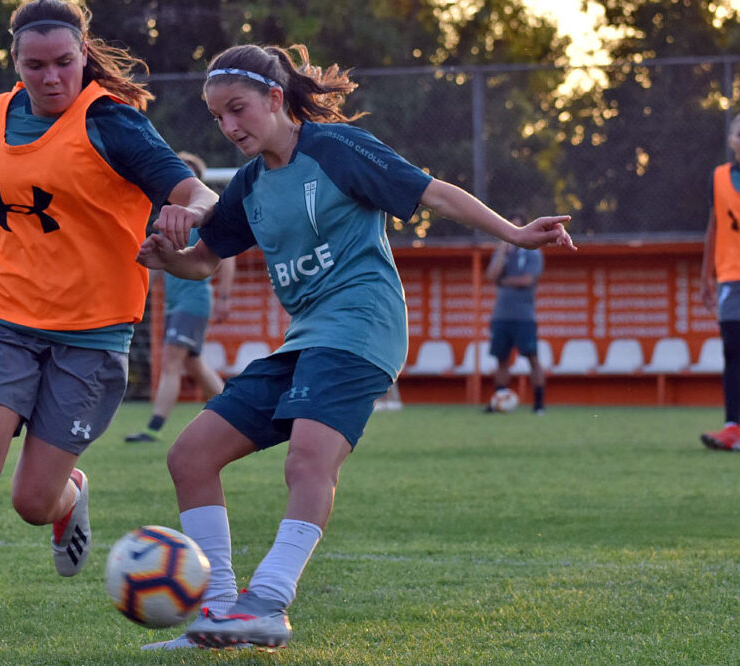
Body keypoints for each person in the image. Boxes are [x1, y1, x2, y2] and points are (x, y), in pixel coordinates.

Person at [136, 43, 575, 650]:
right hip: (305, 338)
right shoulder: (249, 185)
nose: (230, 126)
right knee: (189, 456)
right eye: (218, 117)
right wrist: (167, 262)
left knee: (309, 460)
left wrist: (514, 233)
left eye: (238, 109)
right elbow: (205, 262)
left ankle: (265, 602)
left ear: (274, 97)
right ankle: (219, 613)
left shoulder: (335, 151)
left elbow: (433, 193)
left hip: (362, 323)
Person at [0, 0, 218, 648]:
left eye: (63, 63)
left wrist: (185, 213)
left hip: (93, 333)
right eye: (35, 65)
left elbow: (194, 191)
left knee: (31, 502)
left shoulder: (114, 124)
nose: (50, 78)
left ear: (84, 56)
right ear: (15, 63)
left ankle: (67, 495)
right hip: (1, 310)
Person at [125, 152, 237, 444]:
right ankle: (235, 417)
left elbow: (226, 257)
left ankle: (153, 428)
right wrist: (133, 297)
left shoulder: (204, 217)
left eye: (184, 174)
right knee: (193, 365)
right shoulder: (170, 219)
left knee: (172, 363)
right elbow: (159, 268)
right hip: (178, 305)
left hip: (193, 302)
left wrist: (224, 296)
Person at [699, 113, 740, 452]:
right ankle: (733, 428)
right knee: (732, 351)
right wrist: (705, 278)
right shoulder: (719, 178)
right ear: (731, 139)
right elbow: (713, 227)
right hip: (730, 277)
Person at [484, 214, 546, 415]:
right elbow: (492, 275)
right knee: (501, 360)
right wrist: (502, 251)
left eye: (519, 228)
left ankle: (538, 405)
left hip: (524, 317)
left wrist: (504, 281)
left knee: (532, 358)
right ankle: (498, 401)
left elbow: (526, 280)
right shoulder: (502, 252)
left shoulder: (533, 253)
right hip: (501, 316)